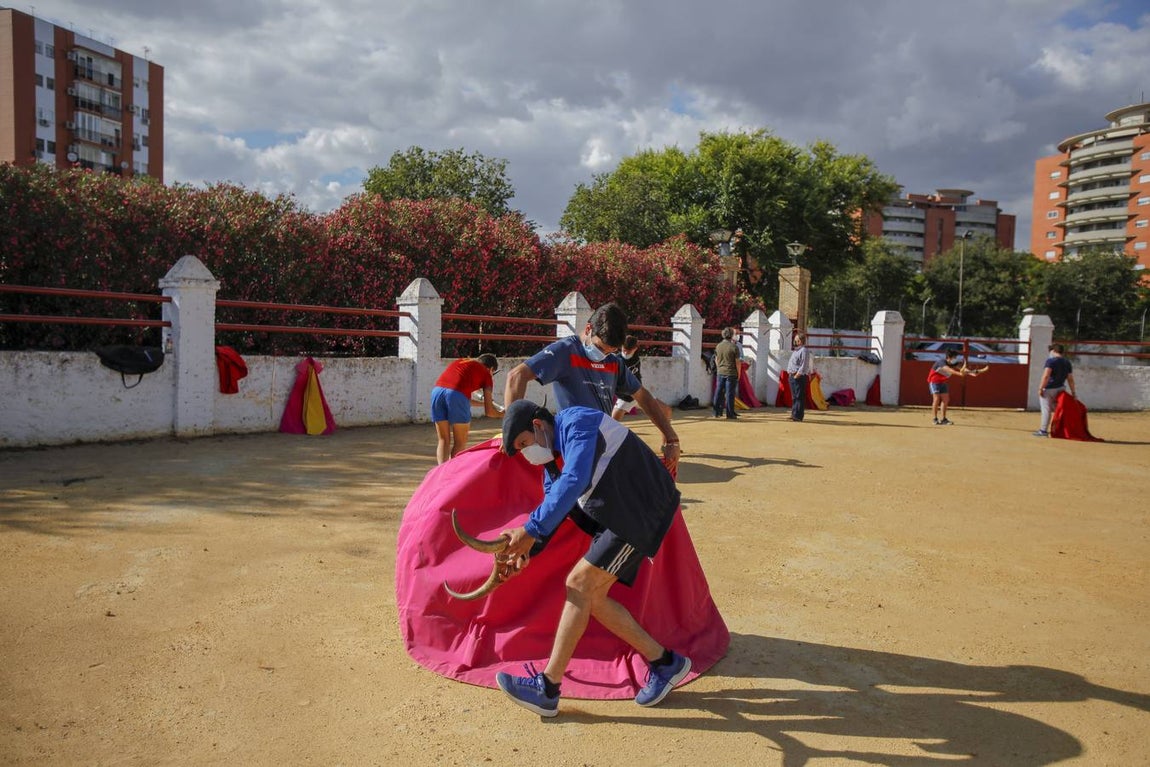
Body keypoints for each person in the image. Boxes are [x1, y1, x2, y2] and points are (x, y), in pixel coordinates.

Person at [492, 399, 691, 717]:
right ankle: (665, 662)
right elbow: (554, 510)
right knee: (591, 597)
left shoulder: (578, 420)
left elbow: (576, 480)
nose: (528, 453)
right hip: (619, 514)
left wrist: (529, 528)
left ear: (539, 425)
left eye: (525, 443)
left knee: (579, 584)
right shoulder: (551, 461)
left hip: (641, 510)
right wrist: (527, 550)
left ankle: (548, 687)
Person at [503, 302, 680, 472]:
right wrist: (510, 429)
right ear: (588, 329)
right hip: (574, 448)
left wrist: (671, 439)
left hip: (604, 446)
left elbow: (643, 396)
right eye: (600, 348)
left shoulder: (614, 362)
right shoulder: (565, 351)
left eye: (610, 351)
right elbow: (517, 376)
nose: (603, 355)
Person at [430, 353, 502, 463]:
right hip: (456, 394)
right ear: (491, 369)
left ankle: (441, 473)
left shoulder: (462, 362)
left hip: (437, 392)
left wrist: (484, 403)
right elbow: (490, 412)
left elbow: (460, 397)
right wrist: (506, 413)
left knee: (443, 439)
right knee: (460, 442)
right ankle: (453, 474)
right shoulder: (486, 374)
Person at [1035, 343, 1076, 437]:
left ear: (1053, 351)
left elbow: (1046, 376)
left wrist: (1041, 388)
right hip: (1061, 388)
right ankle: (1062, 429)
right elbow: (1070, 379)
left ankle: (1043, 431)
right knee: (1058, 409)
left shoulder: (1051, 361)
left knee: (1046, 409)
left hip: (1049, 389)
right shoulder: (1067, 362)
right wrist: (1073, 392)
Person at [926, 350, 969, 425]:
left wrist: (972, 372)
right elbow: (950, 370)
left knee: (946, 400)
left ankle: (944, 419)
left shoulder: (954, 363)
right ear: (948, 358)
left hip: (943, 382)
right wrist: (960, 374)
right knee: (936, 399)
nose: (955, 359)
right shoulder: (941, 362)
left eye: (956, 357)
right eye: (954, 357)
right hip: (934, 382)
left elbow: (962, 369)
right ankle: (935, 419)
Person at [610, 335, 642, 421]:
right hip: (625, 396)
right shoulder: (616, 359)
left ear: (635, 348)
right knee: (612, 423)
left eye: (629, 351)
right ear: (621, 347)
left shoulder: (636, 357)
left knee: (664, 410)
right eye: (624, 350)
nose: (626, 353)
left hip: (638, 392)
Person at [712, 327, 740, 420]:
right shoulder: (734, 347)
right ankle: (730, 413)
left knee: (718, 392)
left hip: (720, 372)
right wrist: (738, 373)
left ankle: (716, 412)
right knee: (729, 394)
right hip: (731, 373)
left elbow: (716, 359)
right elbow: (737, 363)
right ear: (731, 335)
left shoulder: (718, 346)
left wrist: (719, 367)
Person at [786, 332, 815, 422]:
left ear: (800, 341)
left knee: (799, 396)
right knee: (795, 396)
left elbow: (804, 364)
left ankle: (798, 416)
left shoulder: (804, 350)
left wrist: (798, 375)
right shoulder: (796, 350)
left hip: (798, 376)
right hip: (792, 375)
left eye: (796, 339)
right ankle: (794, 414)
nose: (794, 341)